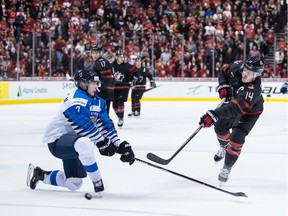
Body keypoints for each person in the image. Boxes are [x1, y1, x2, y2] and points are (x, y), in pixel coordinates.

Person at [26, 69, 135, 194]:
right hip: (57, 141)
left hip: (75, 143)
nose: (96, 86)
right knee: (85, 143)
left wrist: (119, 145)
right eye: (93, 83)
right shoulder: (75, 100)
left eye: (97, 83)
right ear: (83, 84)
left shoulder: (99, 102)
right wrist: (102, 142)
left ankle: (41, 175)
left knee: (74, 183)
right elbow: (83, 126)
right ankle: (98, 185)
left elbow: (105, 125)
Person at [199, 57, 264, 183]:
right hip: (235, 103)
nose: (244, 74)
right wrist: (223, 85)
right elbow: (223, 72)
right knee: (219, 127)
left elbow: (236, 109)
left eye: (249, 73)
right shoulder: (236, 67)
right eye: (245, 70)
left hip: (250, 112)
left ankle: (227, 167)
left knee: (237, 137)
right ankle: (224, 146)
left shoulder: (254, 89)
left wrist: (214, 114)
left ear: (256, 75)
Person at [111, 50, 138, 127]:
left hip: (124, 87)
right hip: (114, 87)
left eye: (123, 56)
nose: (122, 58)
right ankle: (119, 117)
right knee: (114, 105)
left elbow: (136, 72)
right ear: (116, 57)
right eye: (120, 57)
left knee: (120, 101)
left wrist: (134, 80)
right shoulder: (111, 65)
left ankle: (121, 118)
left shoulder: (127, 66)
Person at [91, 44, 115, 114]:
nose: (94, 55)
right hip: (108, 90)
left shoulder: (99, 63)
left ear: (100, 53)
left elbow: (106, 78)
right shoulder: (103, 62)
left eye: (96, 53)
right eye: (93, 53)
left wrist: (100, 88)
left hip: (103, 91)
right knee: (105, 113)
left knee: (100, 113)